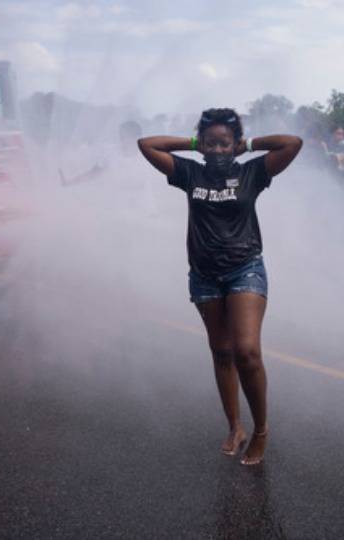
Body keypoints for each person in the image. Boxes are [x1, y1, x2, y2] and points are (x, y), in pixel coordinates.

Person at [137, 108, 302, 465]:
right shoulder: (190, 172)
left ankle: (260, 431)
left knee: (246, 351)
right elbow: (146, 144)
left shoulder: (252, 172)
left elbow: (292, 143)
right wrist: (192, 144)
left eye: (224, 144)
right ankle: (234, 426)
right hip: (204, 274)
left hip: (245, 268)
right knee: (221, 352)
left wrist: (250, 145)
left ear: (234, 144)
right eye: (209, 143)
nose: (216, 150)